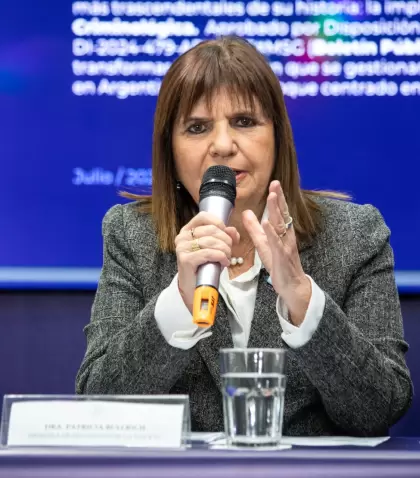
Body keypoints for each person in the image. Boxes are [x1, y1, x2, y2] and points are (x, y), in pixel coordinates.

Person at [76, 36, 412, 436]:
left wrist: (303, 299)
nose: (222, 145)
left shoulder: (353, 236)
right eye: (197, 127)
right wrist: (179, 301)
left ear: (277, 137)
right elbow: (99, 405)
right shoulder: (132, 236)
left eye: (244, 122)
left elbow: (380, 408)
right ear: (170, 149)